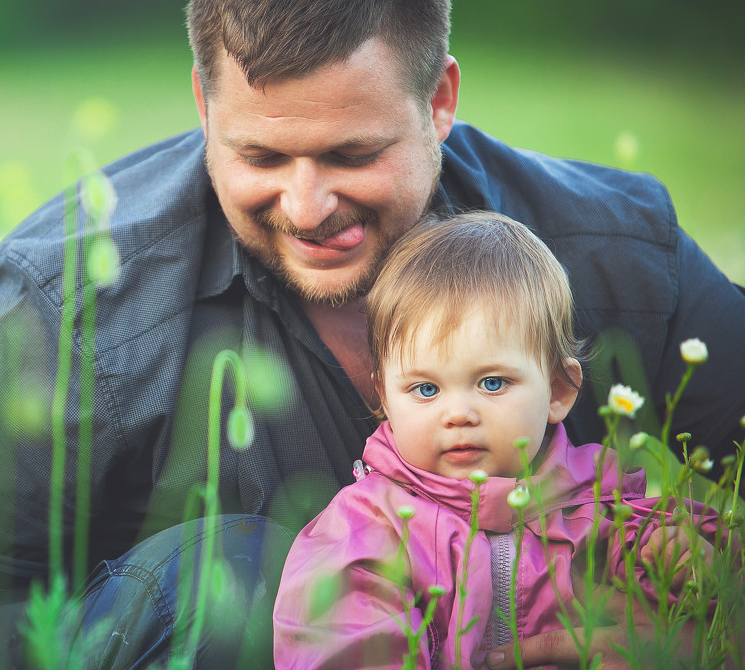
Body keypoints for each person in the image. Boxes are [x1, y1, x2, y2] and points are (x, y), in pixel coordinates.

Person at [0, 0, 745, 670]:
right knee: (237, 578)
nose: (307, 206)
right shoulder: (79, 300)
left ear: (440, 102)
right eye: (262, 155)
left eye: (351, 153)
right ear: (203, 105)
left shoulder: (612, 250)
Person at [272, 211, 722, 669]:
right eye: (425, 389)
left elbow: (709, 604)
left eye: (491, 383)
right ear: (385, 399)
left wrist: (683, 562)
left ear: (559, 391)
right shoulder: (370, 532)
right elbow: (342, 648)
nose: (459, 414)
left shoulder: (605, 508)